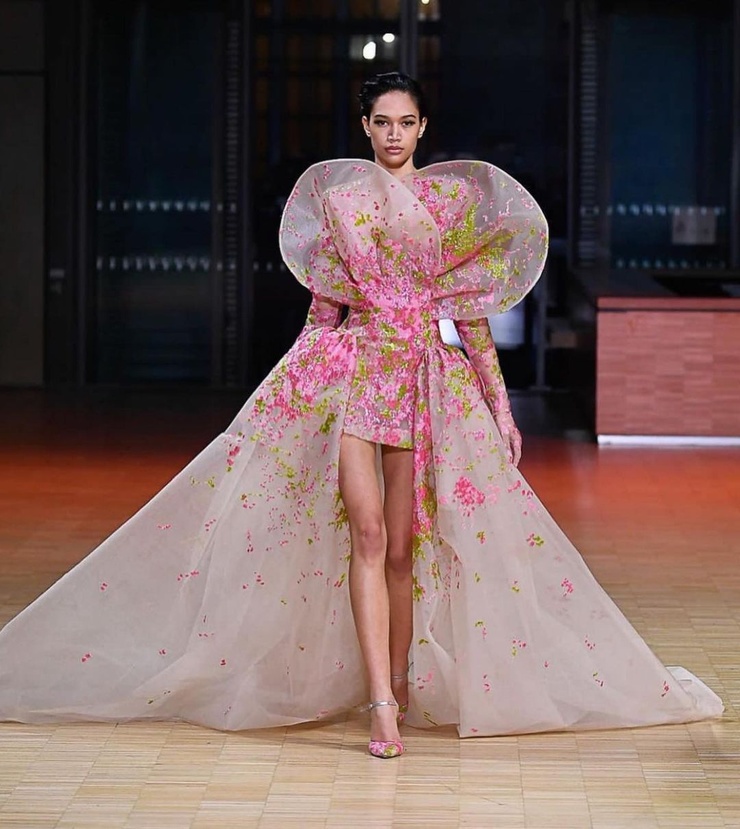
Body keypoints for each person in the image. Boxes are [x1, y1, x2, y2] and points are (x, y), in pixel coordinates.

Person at [0, 73, 723, 759]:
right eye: (383, 122)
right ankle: (380, 701)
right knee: (368, 535)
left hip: (423, 379)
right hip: (353, 376)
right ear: (366, 127)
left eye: (406, 122)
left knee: (404, 547)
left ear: (424, 127)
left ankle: (401, 685)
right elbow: (324, 310)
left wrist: (500, 407)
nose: (395, 134)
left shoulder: (448, 203)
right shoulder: (342, 203)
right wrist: (284, 387)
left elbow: (470, 313)